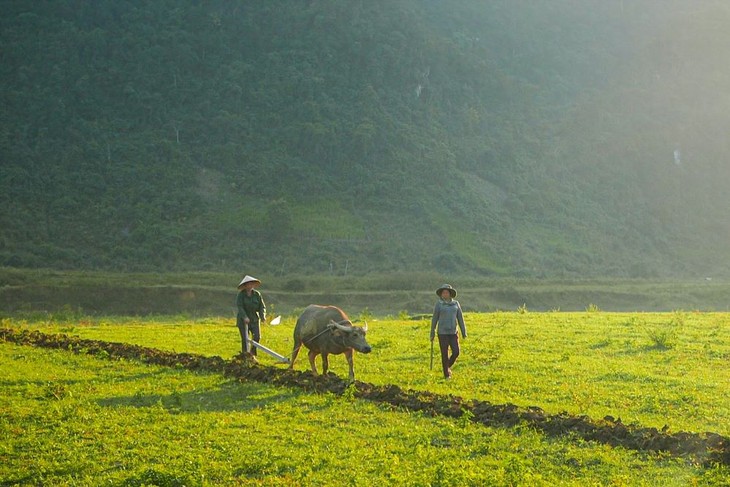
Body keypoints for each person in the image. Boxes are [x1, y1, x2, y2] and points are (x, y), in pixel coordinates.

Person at [430, 284, 467, 379]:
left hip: (453, 332)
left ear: (450, 294)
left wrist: (464, 332)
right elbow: (435, 318)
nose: (445, 294)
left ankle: (447, 366)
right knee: (444, 353)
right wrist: (432, 332)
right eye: (443, 293)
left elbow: (460, 318)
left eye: (446, 292)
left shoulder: (456, 304)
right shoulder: (439, 304)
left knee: (456, 352)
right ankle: (446, 374)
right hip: (442, 333)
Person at [236, 275, 266, 359]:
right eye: (247, 284)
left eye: (251, 284)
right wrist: (245, 317)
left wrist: (262, 316)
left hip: (254, 319)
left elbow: (262, 307)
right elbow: (240, 307)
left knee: (257, 337)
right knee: (245, 339)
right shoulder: (241, 295)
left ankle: (252, 353)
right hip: (243, 320)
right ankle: (245, 355)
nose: (249, 286)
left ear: (253, 285)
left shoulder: (257, 295)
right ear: (245, 286)